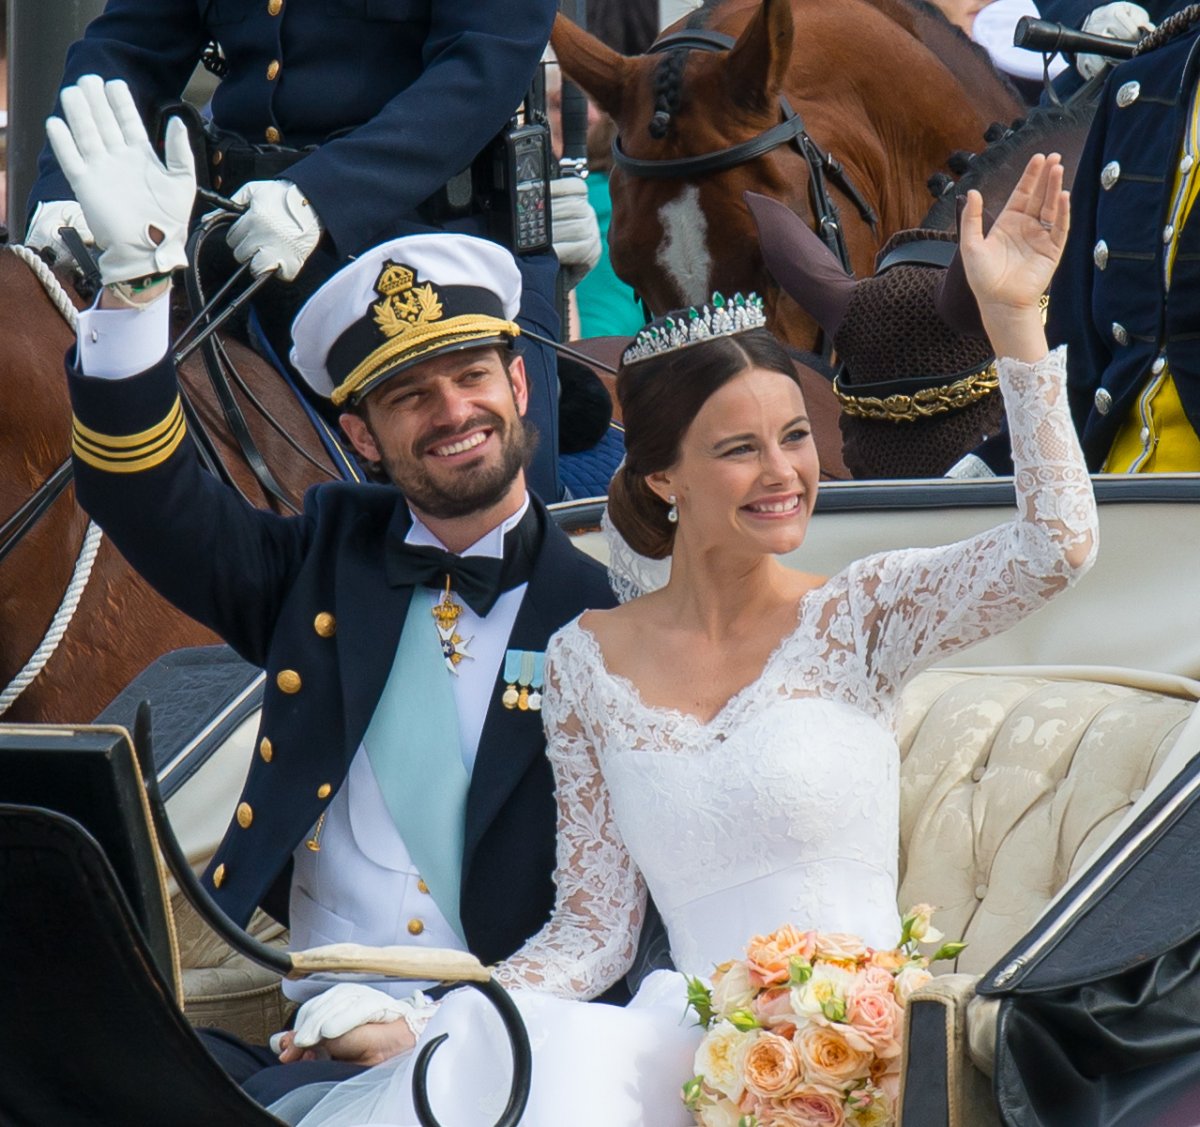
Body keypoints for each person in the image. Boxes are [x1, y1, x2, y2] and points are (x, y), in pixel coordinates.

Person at [271, 152, 1097, 1126]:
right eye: (740, 448)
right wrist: (430, 1021)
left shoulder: (862, 611)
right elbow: (593, 933)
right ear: (665, 476)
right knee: (513, 1071)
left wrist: (1016, 326)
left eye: (795, 435)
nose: (785, 471)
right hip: (677, 1048)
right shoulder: (585, 657)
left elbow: (1056, 544)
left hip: (862, 1050)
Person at [47, 75, 618, 1105]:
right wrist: (134, 293)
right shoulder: (318, 564)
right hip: (304, 1044)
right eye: (408, 396)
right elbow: (144, 492)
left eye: (471, 378)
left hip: (512, 1053)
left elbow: (620, 924)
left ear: (519, 383)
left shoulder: (611, 617)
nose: (452, 411)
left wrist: (440, 1029)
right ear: (360, 435)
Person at [26, 0, 569, 501]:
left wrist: (323, 195)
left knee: (495, 495)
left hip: (432, 253)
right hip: (235, 239)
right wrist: (65, 194)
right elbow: (127, 46)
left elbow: (483, 65)